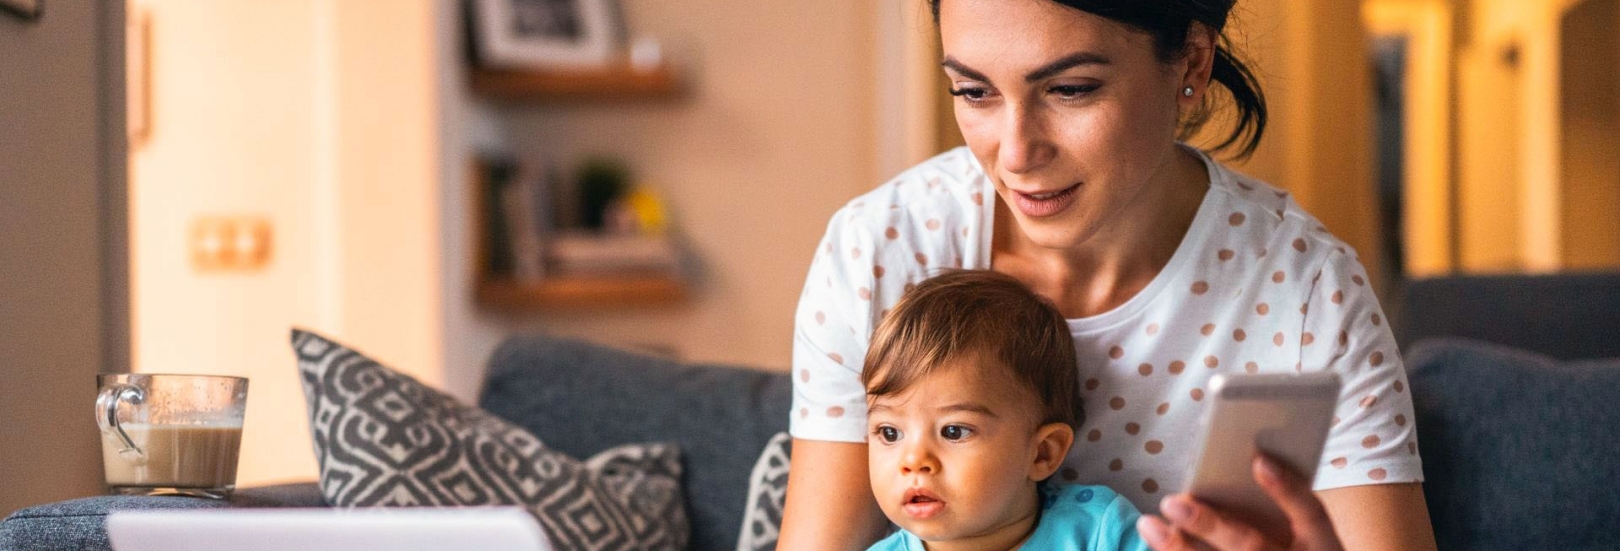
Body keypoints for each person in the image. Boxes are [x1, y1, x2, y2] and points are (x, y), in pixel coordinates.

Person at [779, 1, 1440, 550]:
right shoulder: (881, 248)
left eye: (1070, 89)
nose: (1016, 153)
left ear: (1192, 63)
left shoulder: (1306, 290)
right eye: (974, 91)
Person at [861, 270, 1147, 551]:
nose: (913, 460)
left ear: (1042, 453)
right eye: (889, 433)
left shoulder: (1098, 532)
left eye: (954, 431)